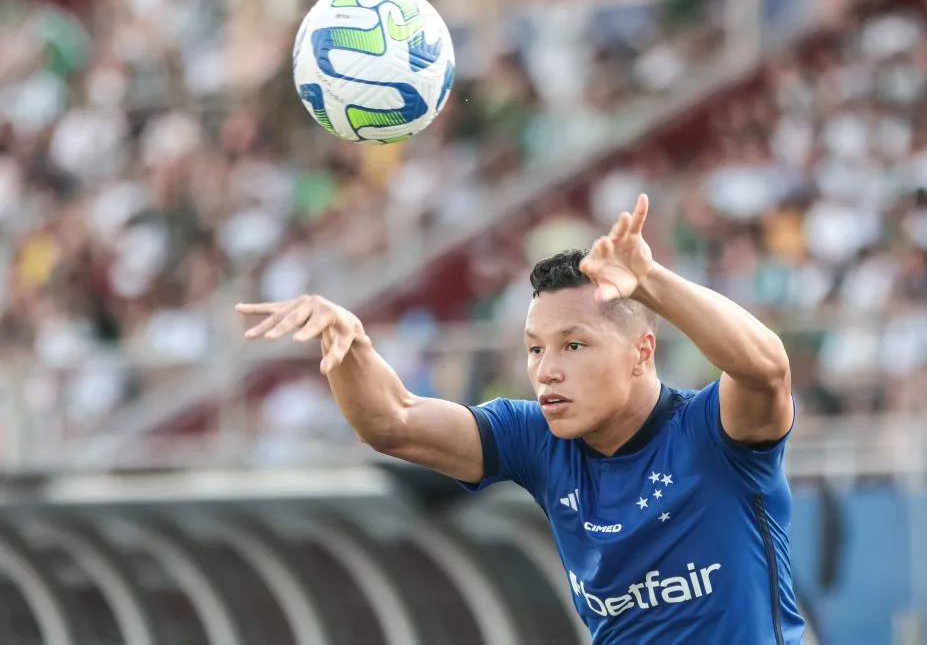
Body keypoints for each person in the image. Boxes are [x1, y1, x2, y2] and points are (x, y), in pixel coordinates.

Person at [237, 194, 805, 644]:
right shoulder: (536, 438)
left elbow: (766, 370)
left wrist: (651, 280)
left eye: (574, 346)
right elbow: (392, 422)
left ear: (642, 351)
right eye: (536, 350)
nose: (547, 371)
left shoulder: (715, 434)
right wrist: (352, 345)